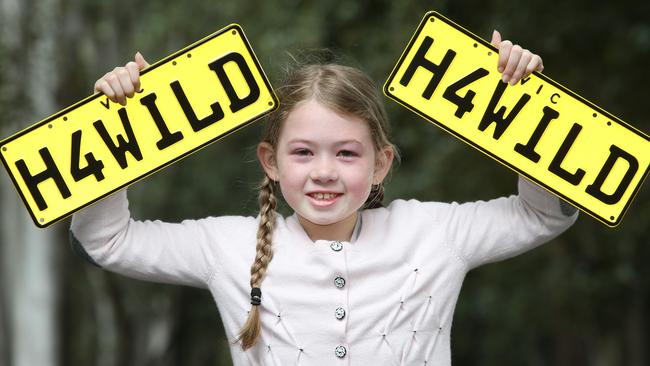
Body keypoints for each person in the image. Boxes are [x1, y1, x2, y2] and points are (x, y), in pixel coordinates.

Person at [71, 30, 578, 365]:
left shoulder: (435, 234)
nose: (324, 172)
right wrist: (113, 124)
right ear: (271, 161)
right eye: (304, 152)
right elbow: (108, 240)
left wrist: (525, 98)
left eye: (347, 154)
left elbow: (543, 213)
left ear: (381, 163)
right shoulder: (227, 246)